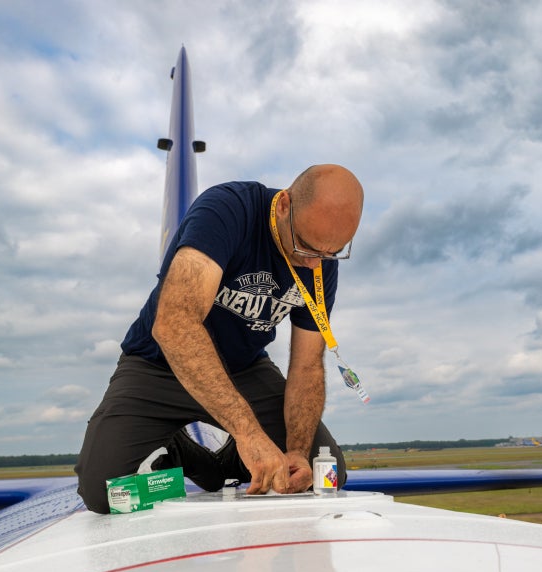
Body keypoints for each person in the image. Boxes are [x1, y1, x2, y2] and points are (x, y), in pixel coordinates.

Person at [75, 164, 364, 513]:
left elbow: (306, 364)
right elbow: (174, 324)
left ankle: (220, 465)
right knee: (107, 495)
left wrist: (297, 452)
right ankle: (178, 455)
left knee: (325, 473)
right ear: (284, 205)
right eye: (306, 247)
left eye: (332, 253)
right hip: (159, 365)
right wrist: (249, 433)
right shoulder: (226, 210)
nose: (315, 265)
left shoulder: (319, 261)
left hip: (243, 369)